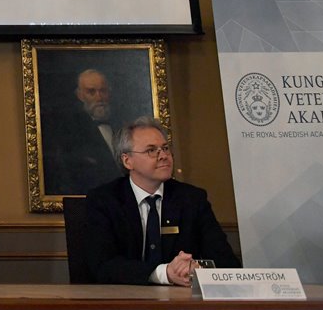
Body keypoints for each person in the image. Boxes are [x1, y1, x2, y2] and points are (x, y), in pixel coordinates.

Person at [85, 117, 240, 285]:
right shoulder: (104, 200)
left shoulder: (192, 199)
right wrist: (164, 273)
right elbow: (103, 266)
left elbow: (226, 262)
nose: (164, 156)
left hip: (181, 303)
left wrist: (197, 269)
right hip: (124, 301)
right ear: (127, 161)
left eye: (165, 148)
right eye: (151, 150)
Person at [42, 69, 124, 195]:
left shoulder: (123, 125)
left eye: (103, 91)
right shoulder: (70, 134)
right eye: (91, 92)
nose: (99, 97)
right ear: (80, 95)